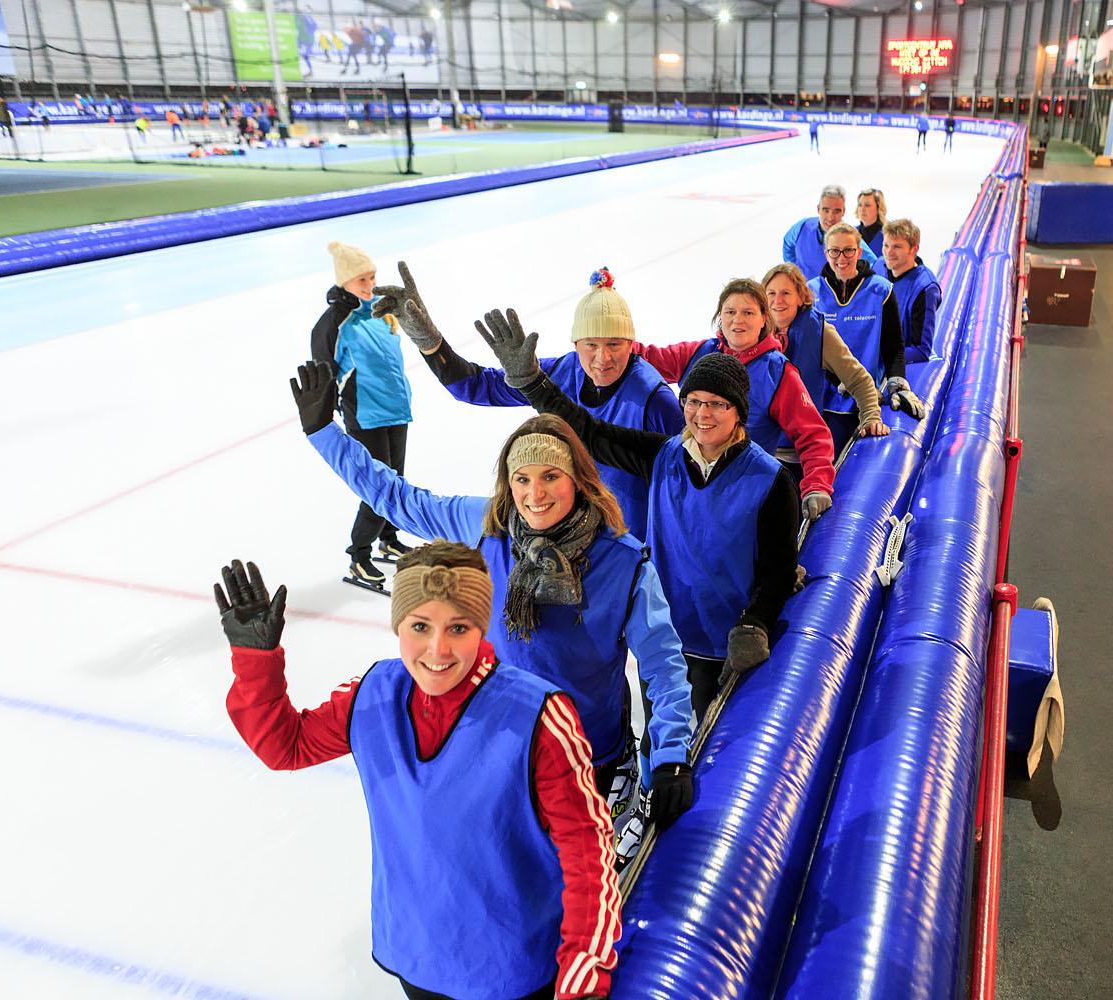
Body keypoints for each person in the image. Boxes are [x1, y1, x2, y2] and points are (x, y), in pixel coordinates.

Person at [289, 365, 696, 857]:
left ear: (578, 479)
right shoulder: (489, 526)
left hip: (588, 756)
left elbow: (663, 666)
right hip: (503, 750)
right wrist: (323, 432)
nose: (534, 494)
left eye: (550, 476)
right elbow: (398, 498)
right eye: (521, 479)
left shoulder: (623, 561)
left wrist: (672, 755)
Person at [215, 548, 617, 1000]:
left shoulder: (538, 716)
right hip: (419, 959)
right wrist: (256, 660)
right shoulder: (372, 696)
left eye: (458, 628)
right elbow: (285, 746)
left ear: (481, 628)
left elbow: (588, 849)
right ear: (398, 626)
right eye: (420, 627)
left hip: (513, 971)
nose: (438, 650)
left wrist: (584, 963)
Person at [478, 312, 800, 720]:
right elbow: (590, 432)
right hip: (664, 639)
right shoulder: (664, 456)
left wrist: (755, 624)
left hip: (726, 645)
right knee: (660, 735)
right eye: (693, 402)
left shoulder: (771, 480)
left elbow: (778, 570)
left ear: (738, 411)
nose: (703, 414)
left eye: (717, 404)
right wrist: (533, 384)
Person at [374, 265, 683, 538]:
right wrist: (429, 341)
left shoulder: (654, 399)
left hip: (626, 543)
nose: (603, 358)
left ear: (632, 344)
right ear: (576, 344)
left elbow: (684, 484)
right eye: (591, 345)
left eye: (615, 344)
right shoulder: (562, 372)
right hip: (565, 531)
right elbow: (474, 386)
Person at [622, 278, 835, 522]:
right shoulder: (701, 352)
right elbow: (648, 358)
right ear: (720, 316)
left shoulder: (777, 373)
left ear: (765, 318)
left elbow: (813, 435)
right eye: (730, 312)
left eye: (748, 312)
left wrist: (816, 485)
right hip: (689, 491)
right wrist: (612, 333)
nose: (737, 320)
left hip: (742, 502)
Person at [309, 242, 415, 589]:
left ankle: (388, 535)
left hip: (395, 408)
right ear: (344, 282)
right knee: (376, 488)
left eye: (371, 277)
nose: (369, 284)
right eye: (361, 280)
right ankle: (359, 555)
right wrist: (326, 414)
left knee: (395, 480)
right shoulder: (334, 324)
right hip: (365, 414)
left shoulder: (382, 311)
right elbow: (325, 373)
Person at [809, 223, 927, 434]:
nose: (841, 258)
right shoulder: (811, 292)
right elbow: (808, 351)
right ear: (826, 252)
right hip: (819, 402)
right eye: (834, 251)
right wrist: (839, 381)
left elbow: (893, 347)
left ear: (859, 252)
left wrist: (897, 383)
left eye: (848, 250)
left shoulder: (881, 290)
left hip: (864, 400)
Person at [761, 263, 888, 451]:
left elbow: (859, 379)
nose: (777, 301)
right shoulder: (753, 330)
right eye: (771, 293)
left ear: (800, 297)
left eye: (786, 293)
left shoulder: (820, 332)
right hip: (760, 448)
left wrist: (871, 416)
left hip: (800, 451)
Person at [873, 218, 943, 363]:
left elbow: (921, 350)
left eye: (897, 247)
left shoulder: (925, 288)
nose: (889, 252)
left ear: (914, 249)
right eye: (886, 245)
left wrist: (877, 357)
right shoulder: (879, 266)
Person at [781, 185, 875, 285]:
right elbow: (787, 244)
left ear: (843, 211)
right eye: (826, 210)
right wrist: (795, 271)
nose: (830, 217)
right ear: (818, 209)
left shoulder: (850, 237)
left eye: (837, 211)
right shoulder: (802, 227)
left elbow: (874, 265)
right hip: (803, 293)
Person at [855, 187, 887, 257]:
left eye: (867, 205)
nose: (862, 209)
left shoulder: (887, 235)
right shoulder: (851, 233)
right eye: (860, 205)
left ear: (878, 208)